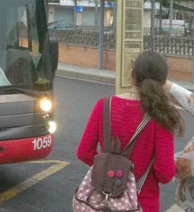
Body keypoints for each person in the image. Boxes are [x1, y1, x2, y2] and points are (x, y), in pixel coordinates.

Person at [76, 51, 185, 212]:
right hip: (142, 204)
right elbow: (165, 173)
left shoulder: (104, 105)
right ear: (163, 82)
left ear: (132, 73)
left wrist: (110, 168)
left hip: (102, 202)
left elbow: (84, 152)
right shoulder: (160, 116)